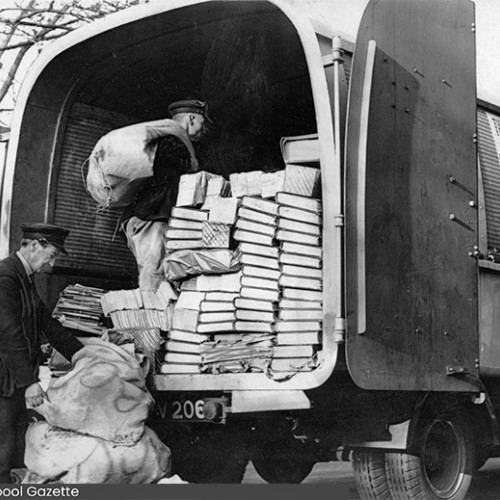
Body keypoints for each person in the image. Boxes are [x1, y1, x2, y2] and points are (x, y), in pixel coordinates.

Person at [0, 223, 84, 483]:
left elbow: (46, 322)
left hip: (11, 378)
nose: (51, 263)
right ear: (36, 245)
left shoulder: (23, 276)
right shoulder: (6, 276)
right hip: (5, 378)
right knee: (2, 447)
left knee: (11, 446)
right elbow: (8, 334)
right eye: (52, 254)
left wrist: (81, 354)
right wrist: (29, 382)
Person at [122, 99, 211, 290]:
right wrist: (192, 166)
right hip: (153, 219)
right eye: (202, 123)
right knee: (154, 275)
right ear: (192, 118)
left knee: (157, 274)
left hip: (148, 217)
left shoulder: (167, 142)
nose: (203, 130)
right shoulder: (172, 142)